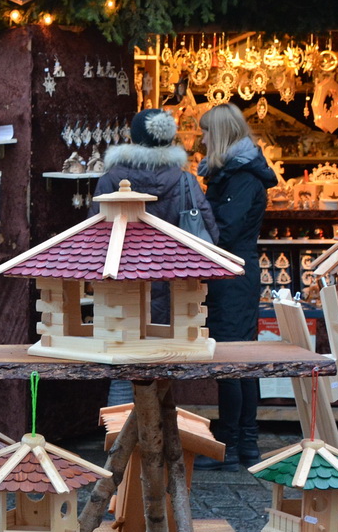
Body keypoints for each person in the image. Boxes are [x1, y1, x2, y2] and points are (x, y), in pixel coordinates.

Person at [94, 109, 219, 410]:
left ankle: (119, 437)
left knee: (122, 368)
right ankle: (160, 435)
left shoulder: (111, 179)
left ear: (133, 137)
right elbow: (210, 232)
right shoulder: (185, 181)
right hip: (174, 288)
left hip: (121, 286)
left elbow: (94, 236)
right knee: (164, 369)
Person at [198, 103, 279, 468]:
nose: (202, 141)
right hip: (235, 274)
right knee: (240, 360)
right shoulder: (237, 173)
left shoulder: (241, 177)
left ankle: (232, 445)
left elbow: (226, 231)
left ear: (219, 135)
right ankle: (244, 443)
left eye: (205, 133)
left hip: (232, 275)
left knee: (231, 361)